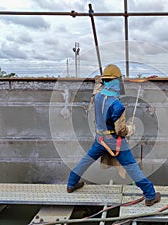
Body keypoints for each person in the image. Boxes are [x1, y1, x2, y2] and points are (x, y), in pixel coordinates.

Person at [66, 64, 161, 206]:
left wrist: (106, 78)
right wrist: (130, 129)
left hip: (100, 139)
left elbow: (100, 82)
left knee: (87, 159)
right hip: (114, 141)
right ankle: (150, 195)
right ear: (116, 81)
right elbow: (120, 131)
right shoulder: (117, 105)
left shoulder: (97, 96)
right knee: (131, 167)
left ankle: (71, 183)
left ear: (104, 80)